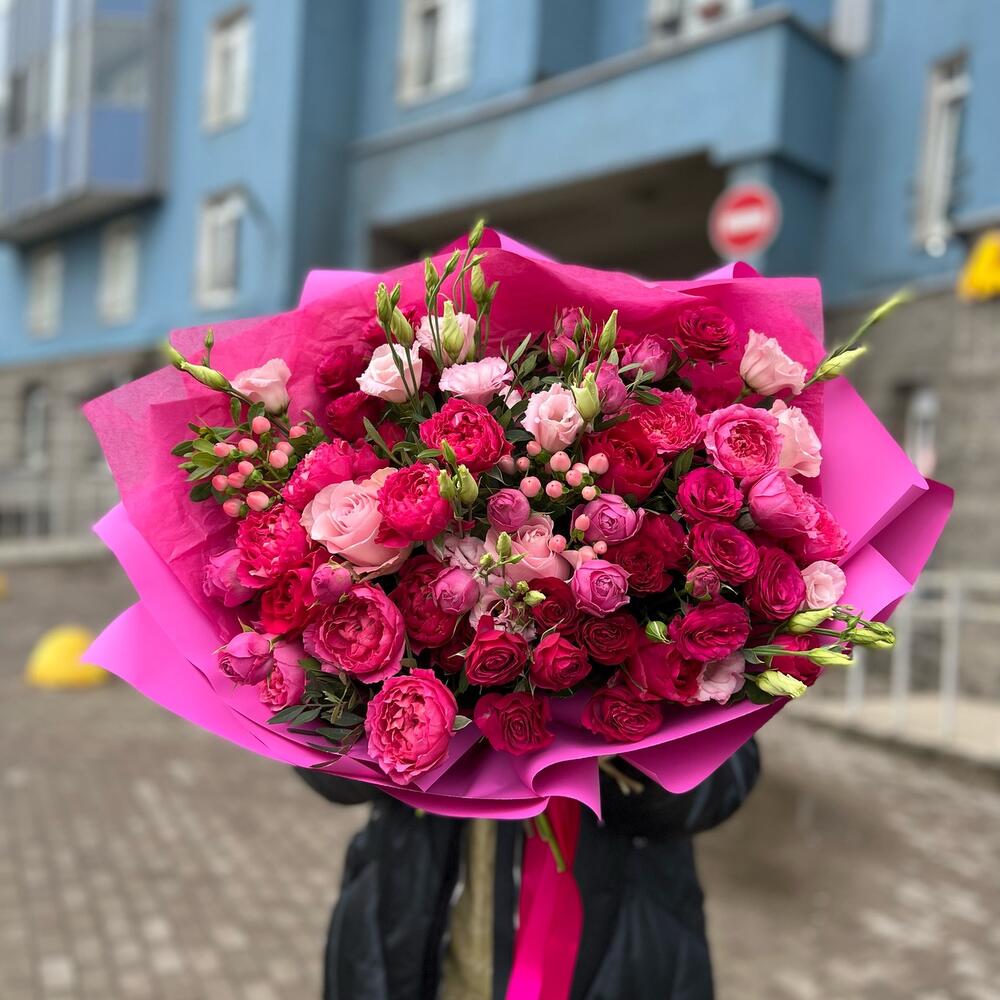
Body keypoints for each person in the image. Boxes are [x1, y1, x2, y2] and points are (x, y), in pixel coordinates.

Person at [298, 739, 759, 1000]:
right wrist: (384, 726)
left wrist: (630, 741)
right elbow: (325, 771)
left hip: (620, 949)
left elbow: (725, 778)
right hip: (410, 937)